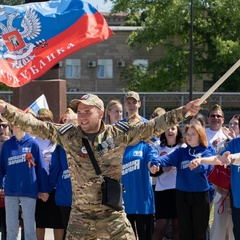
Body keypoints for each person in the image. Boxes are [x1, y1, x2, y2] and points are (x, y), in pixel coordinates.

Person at [0, 94, 201, 239]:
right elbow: (35, 125)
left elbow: (153, 126)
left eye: (88, 111)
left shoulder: (118, 134)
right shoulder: (68, 134)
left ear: (101, 113)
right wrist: (5, 110)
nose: (82, 116)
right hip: (80, 217)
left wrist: (184, 111)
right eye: (80, 112)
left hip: (112, 215)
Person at [150, 124, 214, 240]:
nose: (189, 137)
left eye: (193, 134)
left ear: (200, 136)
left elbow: (205, 167)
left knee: (200, 231)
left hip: (199, 195)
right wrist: (155, 163)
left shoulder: (205, 151)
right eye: (188, 134)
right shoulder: (181, 152)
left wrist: (197, 164)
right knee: (184, 230)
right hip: (182, 195)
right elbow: (166, 159)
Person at [0, 124, 49, 240]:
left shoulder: (33, 144)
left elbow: (41, 168)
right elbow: (1, 167)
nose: (18, 126)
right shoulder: (7, 145)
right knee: (11, 229)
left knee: (30, 229)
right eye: (14, 123)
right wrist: (1, 185)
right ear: (11, 126)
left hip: (29, 190)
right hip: (11, 191)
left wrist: (44, 189)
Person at [121, 113, 158, 240]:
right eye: (131, 126)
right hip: (124, 202)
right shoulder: (119, 147)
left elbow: (151, 160)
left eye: (138, 126)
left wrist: (152, 166)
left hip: (143, 203)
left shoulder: (147, 146)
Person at [209, 115, 239, 240]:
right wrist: (200, 161)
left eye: (235, 124)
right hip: (236, 199)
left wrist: (231, 157)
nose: (232, 126)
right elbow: (218, 159)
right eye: (230, 123)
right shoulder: (233, 143)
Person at [152, 125, 183, 240]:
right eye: (167, 128)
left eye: (173, 128)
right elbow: (151, 169)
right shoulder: (158, 146)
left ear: (178, 130)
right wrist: (161, 170)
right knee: (160, 225)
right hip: (162, 191)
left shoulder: (182, 147)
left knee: (177, 226)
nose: (170, 131)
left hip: (179, 190)